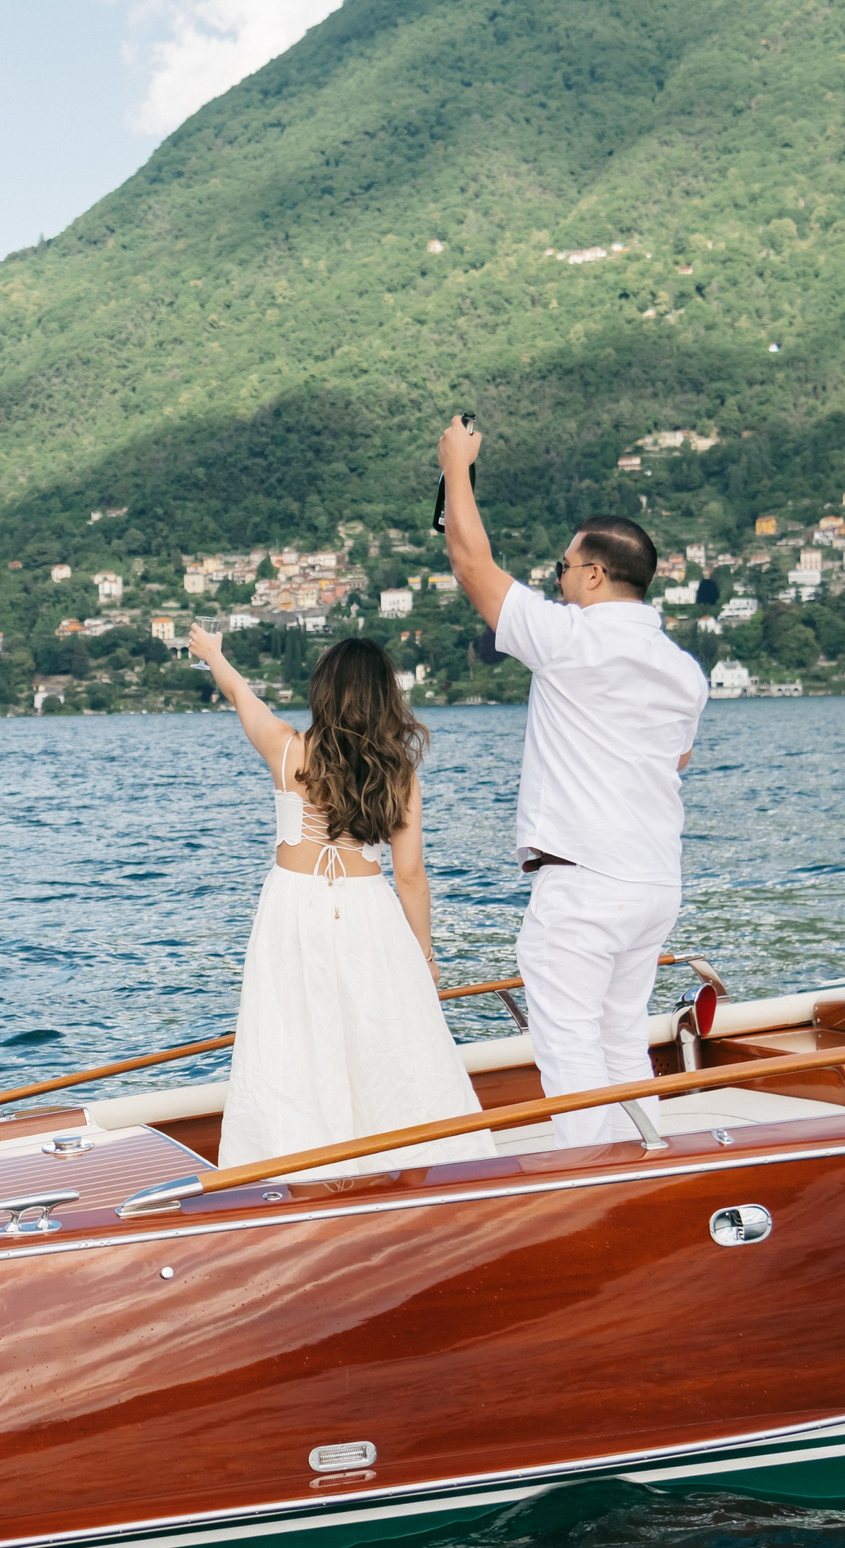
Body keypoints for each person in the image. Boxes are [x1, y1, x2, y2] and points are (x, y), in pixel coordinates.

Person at [438, 414, 710, 1147]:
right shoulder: (685, 672)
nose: (555, 580)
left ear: (594, 573)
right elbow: (673, 762)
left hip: (585, 881)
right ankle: (646, 1167)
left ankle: (596, 1191)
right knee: (621, 1041)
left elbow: (471, 564)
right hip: (654, 879)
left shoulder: (569, 639)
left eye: (561, 567)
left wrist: (456, 466)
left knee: (568, 1048)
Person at [186, 625, 489, 1178]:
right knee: (383, 1042)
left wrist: (213, 655)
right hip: (369, 910)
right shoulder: (399, 772)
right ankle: (402, 1169)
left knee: (292, 1042)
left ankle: (299, 1175)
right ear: (383, 699)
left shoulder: (286, 748)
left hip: (292, 911)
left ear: (323, 692)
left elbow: (240, 694)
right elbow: (411, 874)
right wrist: (424, 954)